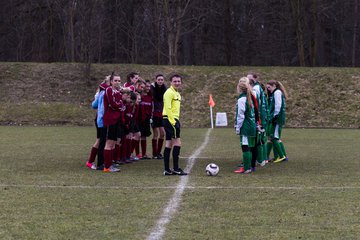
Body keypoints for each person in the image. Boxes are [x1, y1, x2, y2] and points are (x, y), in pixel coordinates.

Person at [162, 74, 187, 176]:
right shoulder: (169, 92)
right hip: (170, 120)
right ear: (170, 82)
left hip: (171, 119)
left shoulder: (177, 93)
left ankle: (167, 170)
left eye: (178, 81)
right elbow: (167, 107)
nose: (177, 83)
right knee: (178, 143)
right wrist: (173, 122)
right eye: (175, 81)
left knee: (168, 144)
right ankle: (176, 169)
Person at [86, 76, 110, 170]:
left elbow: (94, 105)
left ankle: (93, 161)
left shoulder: (104, 91)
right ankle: (91, 161)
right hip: (100, 119)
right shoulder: (103, 92)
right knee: (100, 140)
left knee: (101, 140)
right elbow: (94, 105)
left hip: (101, 119)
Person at [102, 73, 125, 172]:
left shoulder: (118, 92)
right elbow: (113, 104)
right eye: (115, 80)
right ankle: (106, 166)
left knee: (113, 143)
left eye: (119, 81)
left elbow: (121, 104)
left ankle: (110, 164)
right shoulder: (109, 90)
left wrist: (120, 105)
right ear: (111, 81)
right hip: (110, 119)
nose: (117, 82)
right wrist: (119, 105)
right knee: (109, 142)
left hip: (116, 119)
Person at [234, 77, 257, 174]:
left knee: (245, 146)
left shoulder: (242, 99)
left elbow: (240, 115)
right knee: (249, 146)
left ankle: (246, 168)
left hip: (246, 126)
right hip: (251, 124)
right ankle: (250, 166)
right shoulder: (250, 97)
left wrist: (238, 127)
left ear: (239, 89)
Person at [266, 80, 288, 163]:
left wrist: (275, 116)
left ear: (274, 85)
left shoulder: (277, 92)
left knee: (274, 137)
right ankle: (281, 156)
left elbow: (278, 105)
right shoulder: (276, 92)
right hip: (277, 117)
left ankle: (281, 156)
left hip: (277, 118)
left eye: (269, 87)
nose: (268, 89)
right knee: (274, 137)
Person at [151, 74, 167, 159]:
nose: (160, 81)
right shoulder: (152, 88)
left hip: (161, 114)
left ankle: (158, 152)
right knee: (156, 134)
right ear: (156, 80)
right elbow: (155, 96)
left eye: (162, 79)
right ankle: (154, 154)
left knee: (162, 134)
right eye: (159, 79)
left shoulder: (165, 89)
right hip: (154, 114)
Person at [139, 79, 153, 159]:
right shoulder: (139, 96)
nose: (148, 88)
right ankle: (137, 154)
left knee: (144, 136)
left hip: (146, 119)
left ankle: (144, 154)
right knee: (136, 136)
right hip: (139, 119)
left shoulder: (150, 96)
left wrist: (150, 117)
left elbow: (151, 108)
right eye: (146, 86)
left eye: (149, 86)